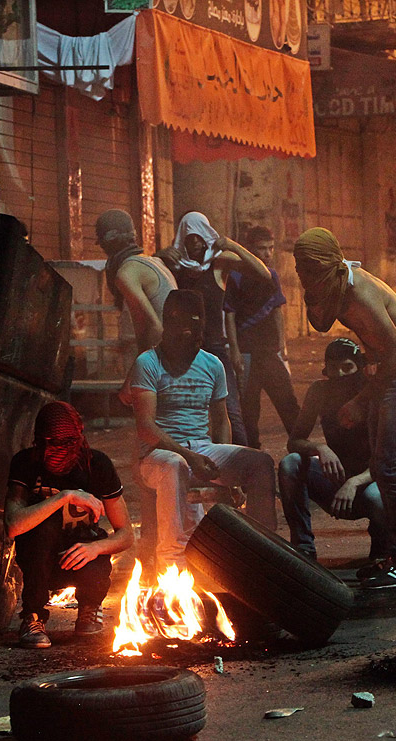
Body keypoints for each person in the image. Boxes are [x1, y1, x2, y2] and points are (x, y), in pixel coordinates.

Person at [294, 228, 396, 589]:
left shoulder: (358, 292)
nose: (302, 274)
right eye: (299, 267)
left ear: (325, 263)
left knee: (389, 465)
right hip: (393, 369)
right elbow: (320, 321)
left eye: (308, 267)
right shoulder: (339, 286)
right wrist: (312, 290)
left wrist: (361, 400)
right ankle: (393, 554)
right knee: (381, 466)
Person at [131, 289, 277, 571]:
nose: (190, 336)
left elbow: (221, 421)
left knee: (261, 463)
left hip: (200, 447)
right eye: (184, 328)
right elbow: (146, 427)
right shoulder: (147, 364)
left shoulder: (212, 364)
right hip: (155, 455)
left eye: (197, 328)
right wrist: (188, 456)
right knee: (174, 465)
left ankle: (263, 550)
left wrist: (228, 474)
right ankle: (171, 561)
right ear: (169, 324)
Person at [4, 402, 134, 649]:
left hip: (80, 555)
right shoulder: (26, 463)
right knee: (42, 529)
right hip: (39, 557)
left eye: (67, 442)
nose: (60, 450)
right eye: (51, 442)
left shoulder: (97, 465)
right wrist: (65, 496)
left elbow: (126, 534)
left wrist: (96, 549)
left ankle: (88, 608)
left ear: (79, 437)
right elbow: (12, 525)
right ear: (39, 440)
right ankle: (32, 617)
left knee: (95, 543)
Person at [163, 212, 273, 446]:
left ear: (206, 237)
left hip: (214, 349)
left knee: (231, 412)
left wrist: (233, 245)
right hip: (183, 352)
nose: (194, 244)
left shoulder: (219, 264)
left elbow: (263, 273)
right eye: (189, 238)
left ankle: (245, 465)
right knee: (185, 415)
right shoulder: (174, 266)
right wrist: (159, 255)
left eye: (198, 238)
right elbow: (148, 273)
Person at [279, 338, 388, 562]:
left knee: (377, 497)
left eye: (347, 367)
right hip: (336, 478)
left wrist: (354, 482)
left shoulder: (373, 395)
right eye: (332, 368)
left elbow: (390, 459)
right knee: (290, 463)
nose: (338, 374)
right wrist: (320, 448)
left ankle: (382, 555)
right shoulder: (320, 391)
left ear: (360, 368)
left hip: (370, 480)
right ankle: (303, 548)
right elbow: (295, 440)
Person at [224, 226, 300, 448]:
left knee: (288, 402)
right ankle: (253, 454)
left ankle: (300, 448)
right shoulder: (237, 277)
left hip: (269, 351)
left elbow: (277, 312)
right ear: (250, 250)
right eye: (261, 249)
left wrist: (283, 349)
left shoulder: (272, 276)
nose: (267, 254)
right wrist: (235, 350)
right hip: (247, 352)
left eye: (270, 248)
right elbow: (230, 315)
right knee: (249, 409)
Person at [98, 209, 178, 362]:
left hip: (158, 357)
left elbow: (155, 327)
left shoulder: (127, 272)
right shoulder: (154, 262)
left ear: (110, 240)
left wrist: (144, 370)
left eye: (102, 242)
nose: (101, 247)